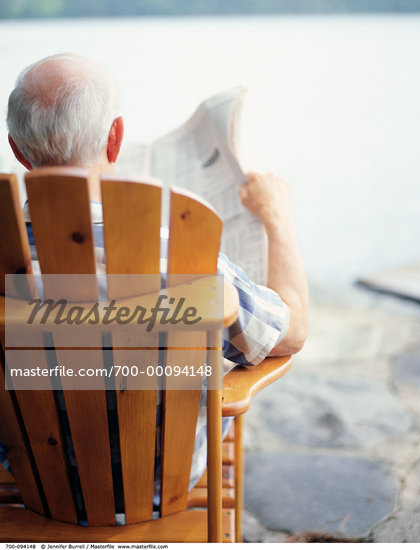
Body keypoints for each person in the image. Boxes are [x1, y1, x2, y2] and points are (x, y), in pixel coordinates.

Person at [1, 53, 309, 511]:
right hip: (163, 489)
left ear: (18, 150)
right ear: (115, 139)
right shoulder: (181, 249)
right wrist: (277, 220)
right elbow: (291, 332)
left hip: (37, 488)